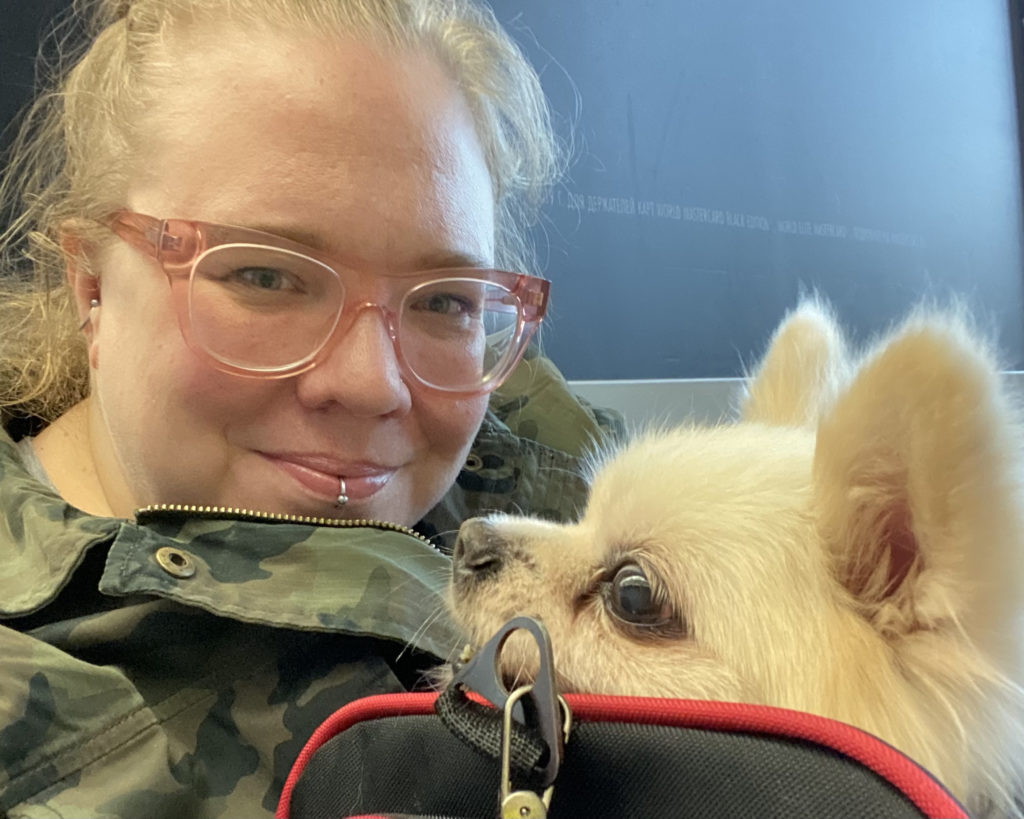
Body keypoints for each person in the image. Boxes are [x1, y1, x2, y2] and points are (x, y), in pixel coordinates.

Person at [0, 1, 622, 816]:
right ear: (92, 287)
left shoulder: (547, 457)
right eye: (264, 276)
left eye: (444, 301)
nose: (373, 385)